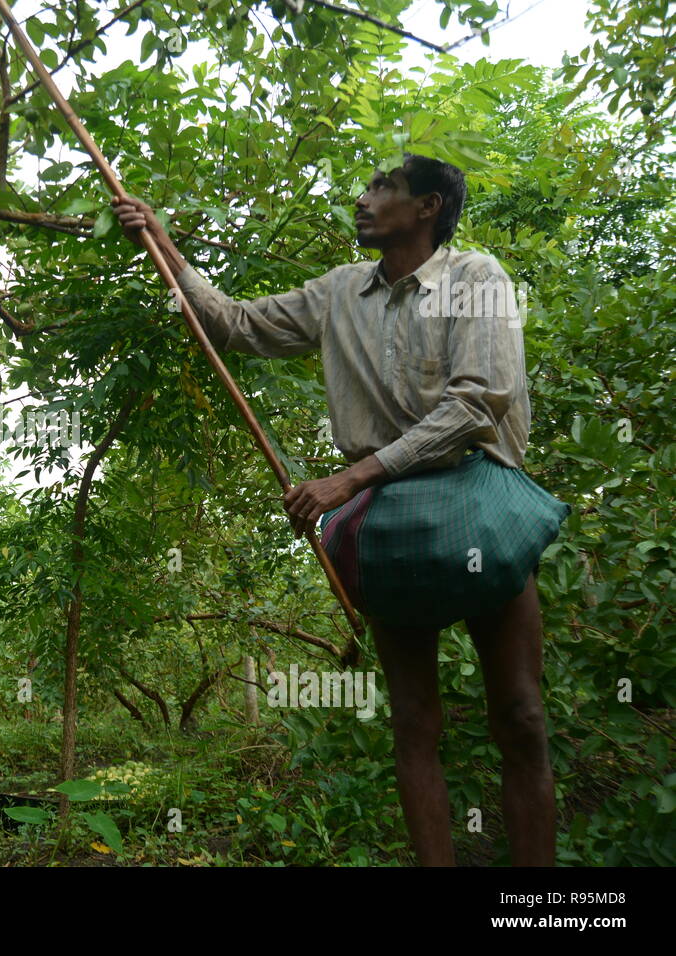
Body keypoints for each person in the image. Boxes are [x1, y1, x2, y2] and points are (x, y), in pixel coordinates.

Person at [113, 154, 555, 866]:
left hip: (480, 495)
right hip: (393, 517)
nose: (363, 198)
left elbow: (478, 402)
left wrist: (346, 481)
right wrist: (163, 247)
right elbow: (235, 325)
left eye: (383, 188)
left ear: (428, 207)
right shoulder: (339, 291)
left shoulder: (476, 279)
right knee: (414, 719)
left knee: (522, 715)